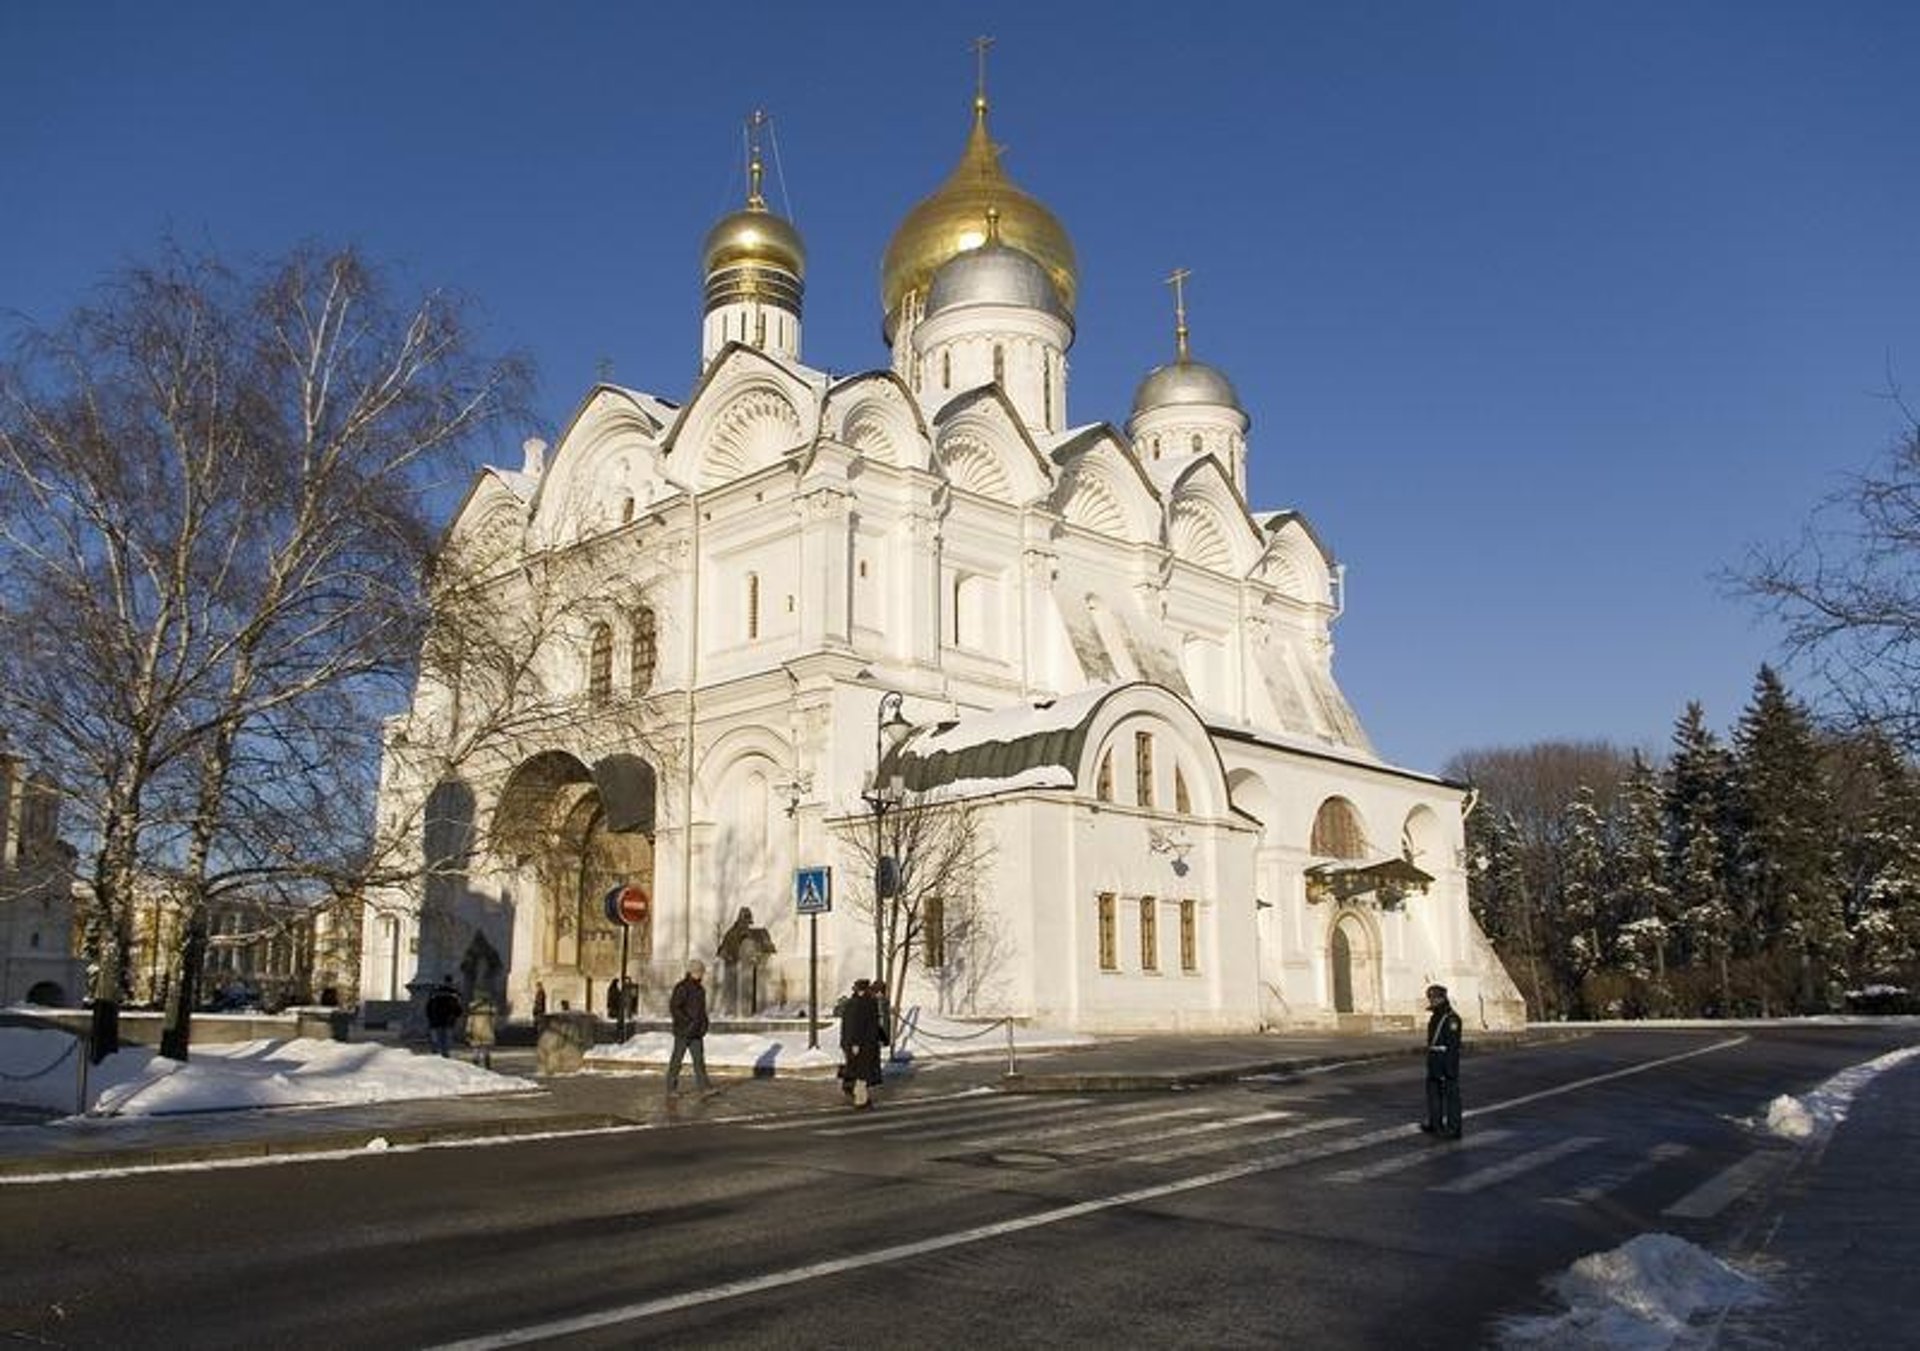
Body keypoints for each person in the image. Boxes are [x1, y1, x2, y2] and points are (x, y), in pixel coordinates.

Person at [1420, 983, 1464, 1139]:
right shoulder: (1436, 1016)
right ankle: (1435, 1123)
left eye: (1434, 998)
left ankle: (1454, 1128)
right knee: (1433, 1093)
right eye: (1430, 997)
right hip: (1434, 1061)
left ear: (1442, 998)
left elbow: (1452, 1046)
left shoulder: (1452, 1019)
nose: (1431, 1001)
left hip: (1446, 1061)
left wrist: (1449, 1069)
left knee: (1451, 1095)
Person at [838, 978, 888, 1109]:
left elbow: (872, 1024)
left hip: (859, 1042)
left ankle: (857, 1093)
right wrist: (855, 1043)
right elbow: (858, 1025)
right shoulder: (866, 1003)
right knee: (863, 1071)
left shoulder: (857, 1002)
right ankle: (861, 1100)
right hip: (862, 1043)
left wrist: (883, 1038)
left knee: (859, 1070)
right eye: (880, 992)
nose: (881, 995)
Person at [666, 960, 714, 1097]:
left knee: (699, 1061)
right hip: (683, 1031)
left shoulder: (700, 989)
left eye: (702, 972)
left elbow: (701, 1010)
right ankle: (671, 1088)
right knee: (677, 1060)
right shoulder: (682, 987)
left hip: (697, 1032)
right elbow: (675, 1008)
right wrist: (687, 1022)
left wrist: (704, 1024)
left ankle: (704, 1087)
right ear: (692, 972)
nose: (701, 974)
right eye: (699, 972)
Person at [424, 976, 464, 1058]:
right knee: (446, 1041)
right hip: (447, 1021)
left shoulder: (435, 993)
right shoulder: (453, 994)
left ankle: (437, 1054)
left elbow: (428, 1007)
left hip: (436, 1021)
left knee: (437, 1040)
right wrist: (455, 1016)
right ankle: (444, 1055)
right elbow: (458, 1010)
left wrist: (430, 1018)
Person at [465, 993, 497, 1069]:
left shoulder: (473, 1007)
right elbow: (493, 1021)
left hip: (475, 1030)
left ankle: (475, 1066)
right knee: (486, 1050)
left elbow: (470, 1021)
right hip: (487, 1030)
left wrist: (468, 1030)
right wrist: (493, 1029)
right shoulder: (490, 1007)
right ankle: (487, 1066)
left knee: (476, 1050)